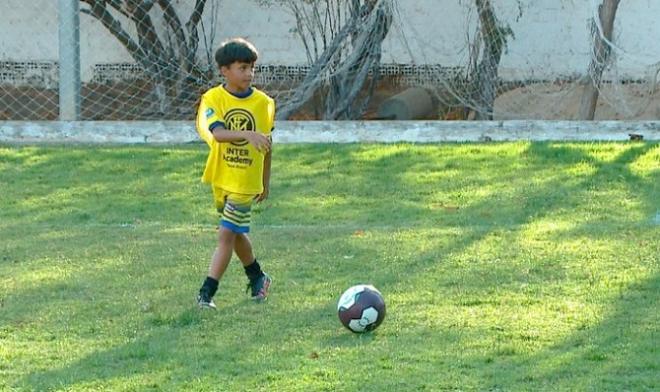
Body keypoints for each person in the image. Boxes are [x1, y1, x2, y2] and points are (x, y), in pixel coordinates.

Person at [195, 37, 274, 309]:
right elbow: (218, 134)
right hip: (222, 176)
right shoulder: (213, 98)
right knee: (237, 233)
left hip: (244, 181)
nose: (249, 74)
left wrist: (265, 181)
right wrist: (248, 134)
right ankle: (258, 277)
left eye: (252, 68)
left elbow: (267, 144)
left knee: (225, 235)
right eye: (242, 68)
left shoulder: (263, 103)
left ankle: (207, 293)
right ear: (224, 70)